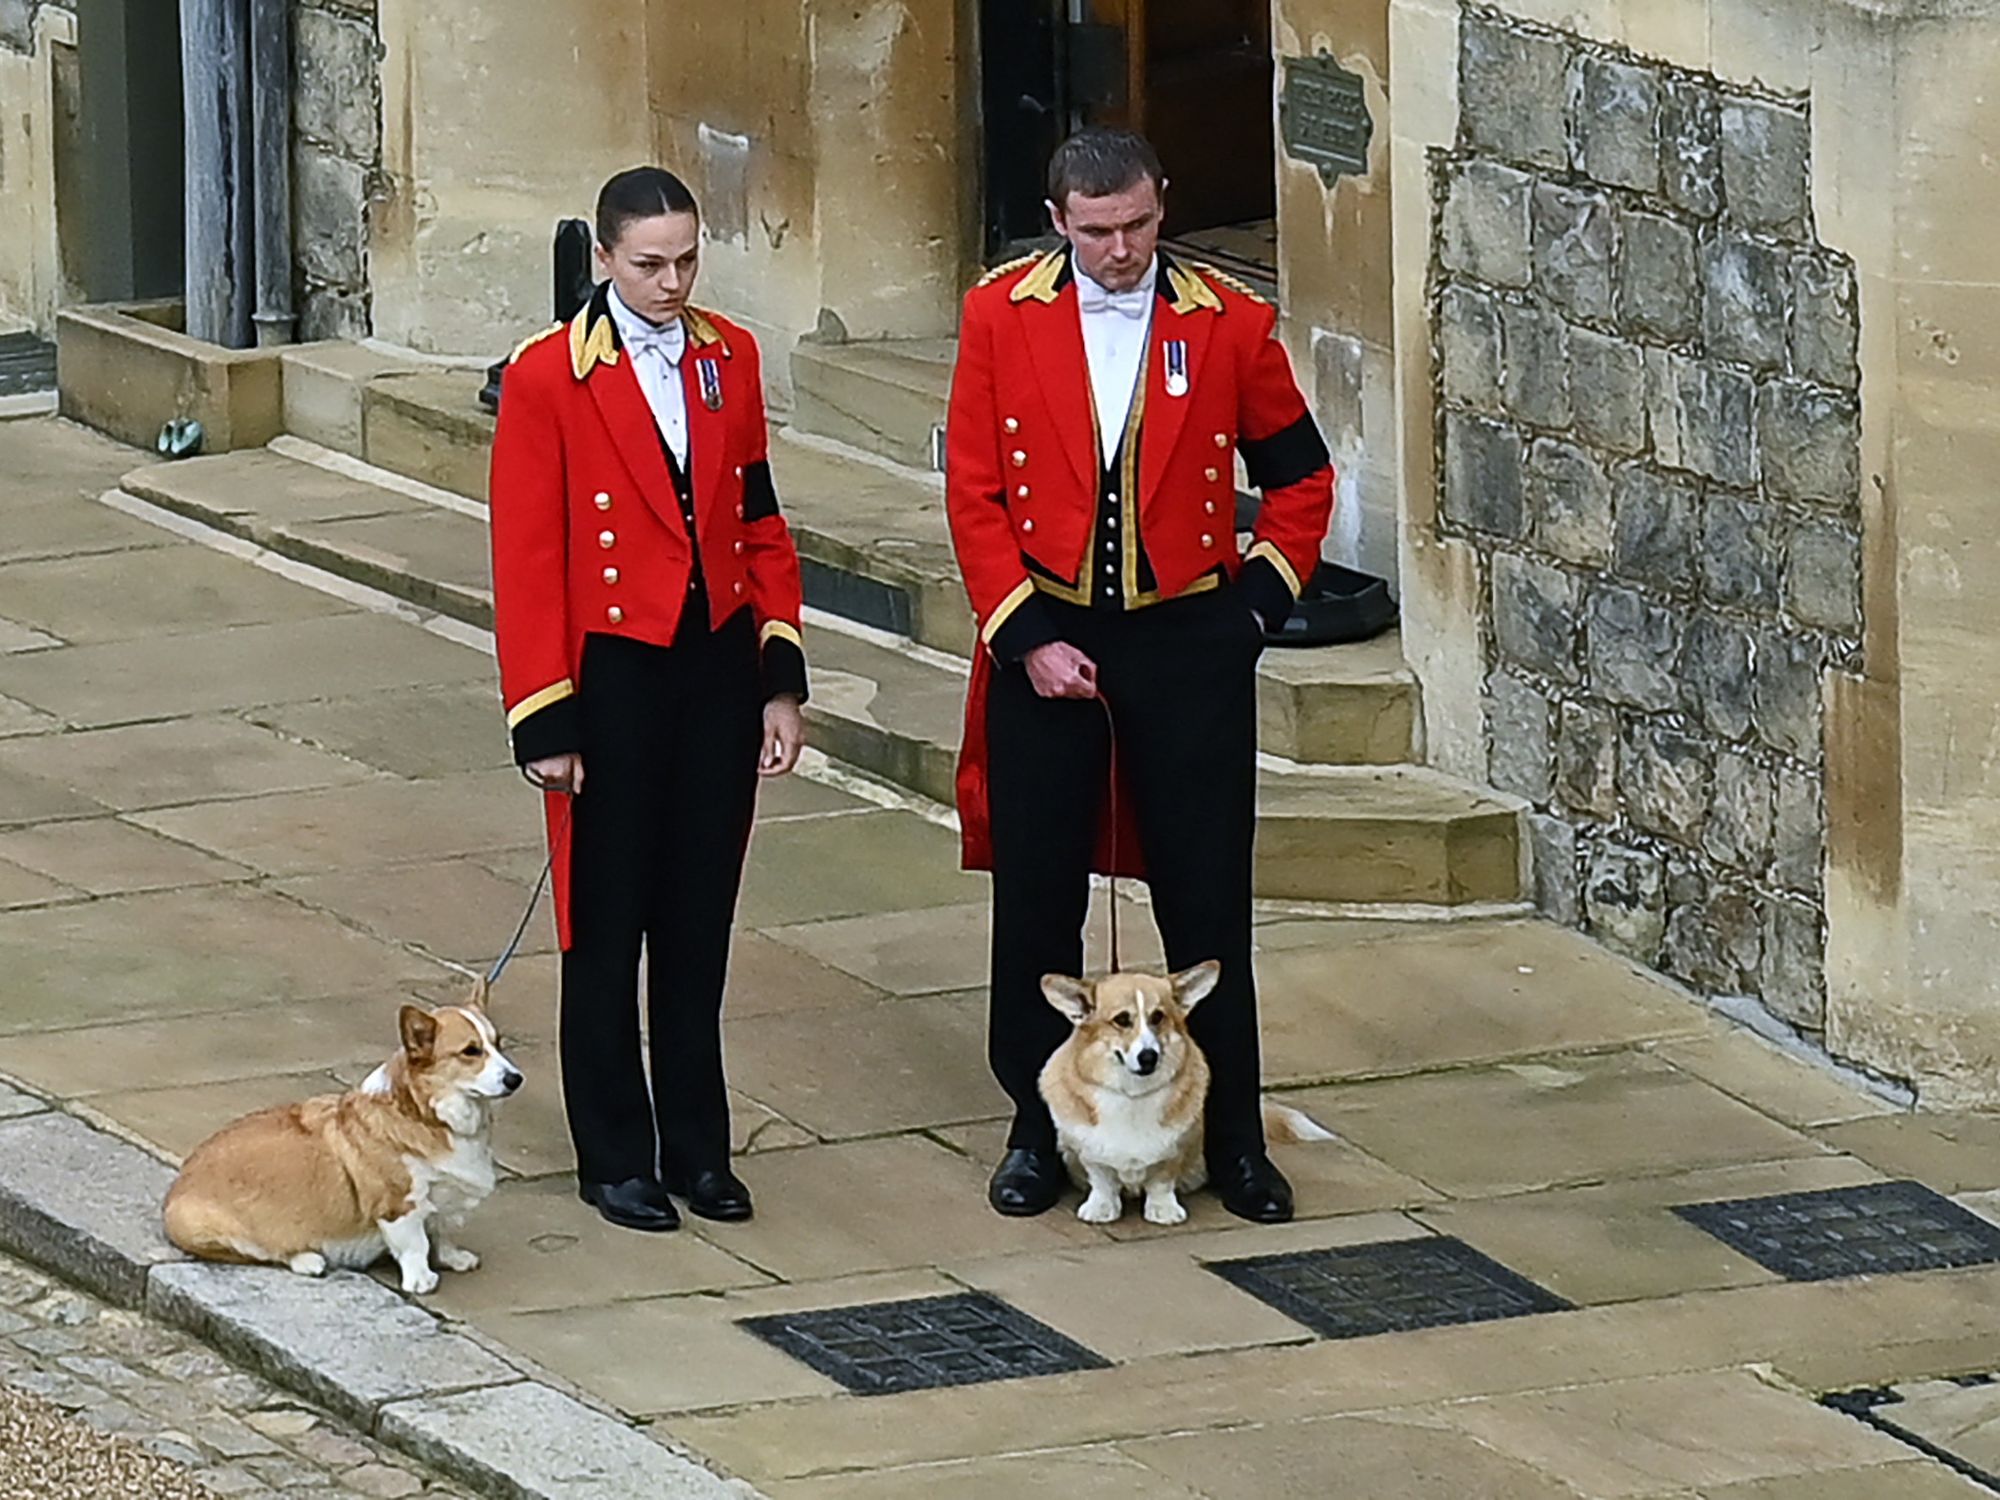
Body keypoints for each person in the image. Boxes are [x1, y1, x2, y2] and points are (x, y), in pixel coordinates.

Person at [945, 128, 1334, 1225]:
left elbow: (1301, 478)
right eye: (1098, 231)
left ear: (1162, 205)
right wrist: (1022, 635)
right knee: (1036, 903)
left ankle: (1234, 1139)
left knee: (1207, 905)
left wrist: (1252, 608)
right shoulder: (997, 316)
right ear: (1058, 220)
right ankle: (1036, 1131)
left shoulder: (1227, 322)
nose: (1121, 252)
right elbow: (973, 493)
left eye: (1139, 227)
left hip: (1182, 646)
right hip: (1045, 639)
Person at [488, 167, 808, 1233]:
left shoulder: (730, 358)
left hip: (714, 667)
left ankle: (698, 1150)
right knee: (605, 926)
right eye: (648, 264)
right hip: (610, 675)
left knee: (696, 924)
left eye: (685, 260)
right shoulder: (546, 377)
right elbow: (527, 558)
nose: (672, 283)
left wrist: (778, 677)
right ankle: (613, 1155)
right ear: (603, 260)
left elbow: (758, 517)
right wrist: (544, 718)